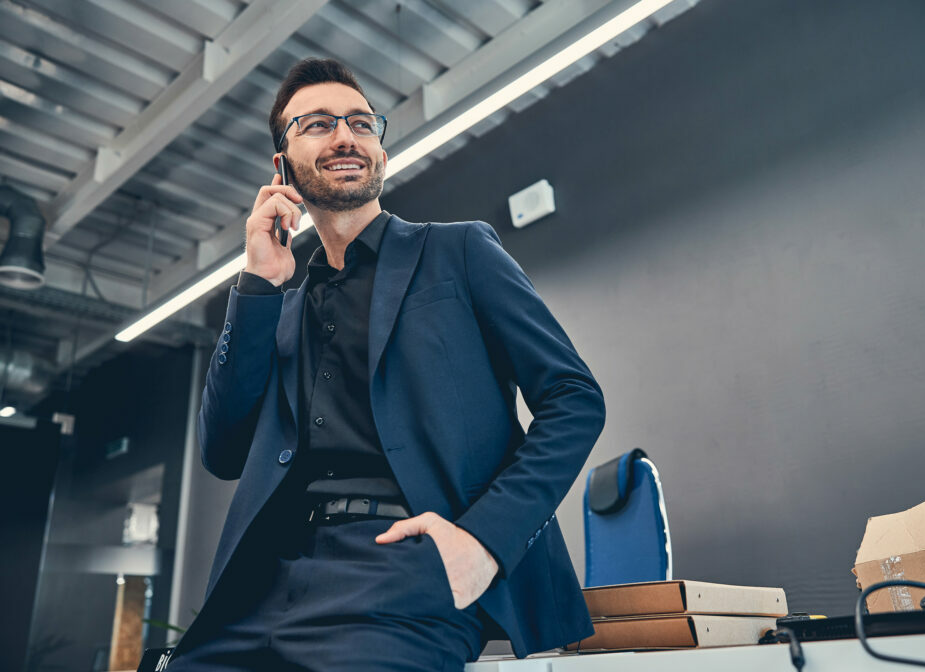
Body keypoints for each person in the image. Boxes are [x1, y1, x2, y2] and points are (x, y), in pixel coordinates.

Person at [167, 58, 605, 672]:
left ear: (379, 147)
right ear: (282, 164)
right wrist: (258, 285)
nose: (346, 135)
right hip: (266, 580)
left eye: (361, 122)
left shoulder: (459, 251)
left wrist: (484, 541)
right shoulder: (280, 304)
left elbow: (575, 397)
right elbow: (223, 451)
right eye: (317, 124)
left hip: (403, 571)